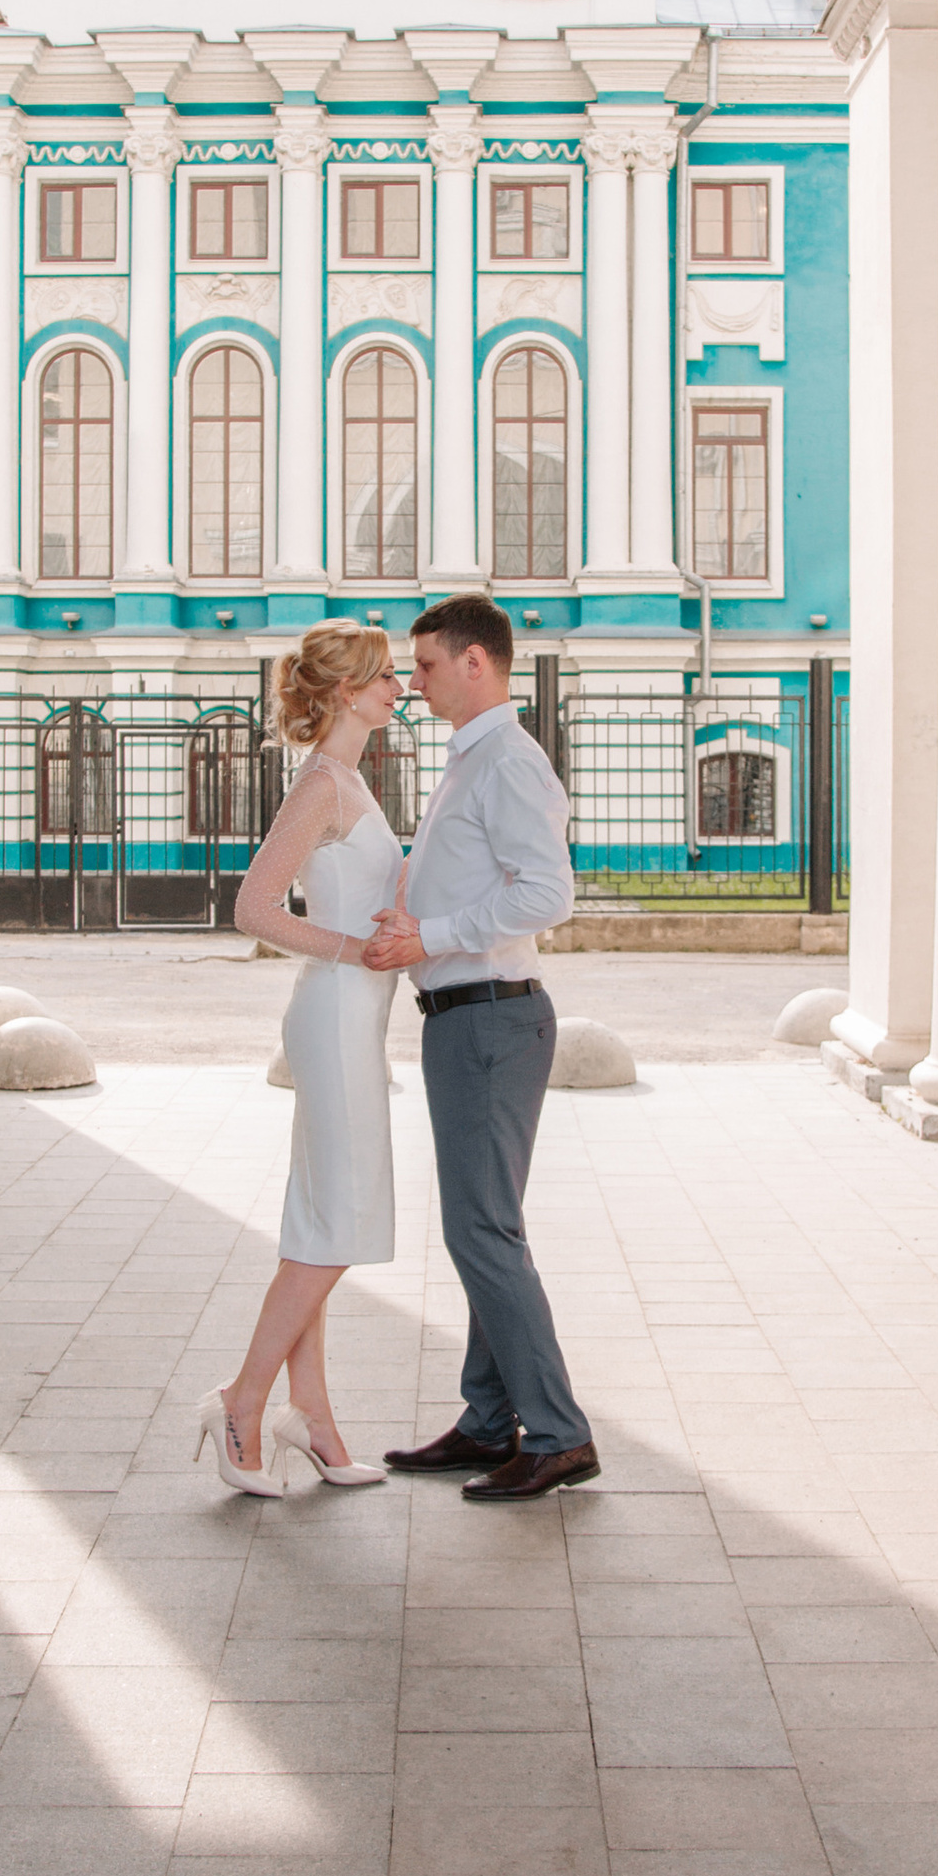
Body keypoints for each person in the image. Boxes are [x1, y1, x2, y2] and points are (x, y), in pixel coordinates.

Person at [363, 592, 598, 1500]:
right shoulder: (474, 757)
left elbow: (548, 894)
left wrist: (431, 935)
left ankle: (558, 1434)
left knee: (479, 1230)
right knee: (484, 1226)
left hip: (489, 1019)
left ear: (474, 662)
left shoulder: (506, 760)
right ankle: (489, 1419)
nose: (412, 680)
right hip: (470, 1017)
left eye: (425, 664)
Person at [202, 622, 405, 1497]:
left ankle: (311, 1416)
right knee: (338, 1221)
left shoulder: (352, 779)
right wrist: (353, 950)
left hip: (352, 1017)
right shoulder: (323, 783)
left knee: (319, 1220)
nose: (399, 687)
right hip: (334, 1015)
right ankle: (242, 1401)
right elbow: (255, 908)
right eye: (385, 676)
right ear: (346, 691)